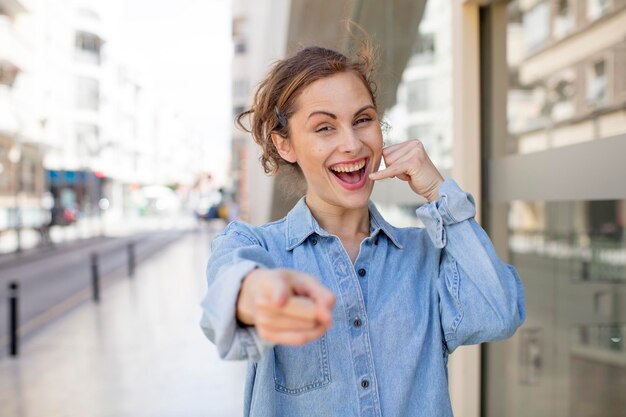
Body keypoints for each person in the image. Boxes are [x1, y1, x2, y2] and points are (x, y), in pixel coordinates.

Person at [200, 44, 525, 417]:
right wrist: (256, 294)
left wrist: (439, 192)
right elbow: (225, 298)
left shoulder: (424, 255)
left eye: (363, 120)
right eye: (325, 127)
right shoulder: (256, 247)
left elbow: (499, 313)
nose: (352, 144)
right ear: (285, 144)